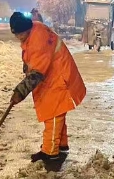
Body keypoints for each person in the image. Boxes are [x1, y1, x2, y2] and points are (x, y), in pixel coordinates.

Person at [9, 11, 86, 163]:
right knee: (57, 112)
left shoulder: (38, 40)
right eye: (16, 34)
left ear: (27, 28)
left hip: (59, 77)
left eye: (21, 34)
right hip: (53, 75)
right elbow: (32, 58)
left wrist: (20, 92)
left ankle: (50, 153)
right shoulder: (35, 29)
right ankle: (61, 145)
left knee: (53, 114)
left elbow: (37, 72)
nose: (18, 37)